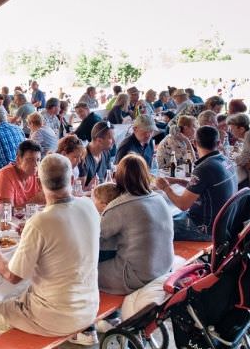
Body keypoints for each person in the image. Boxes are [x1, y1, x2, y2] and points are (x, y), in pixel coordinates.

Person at [0, 154, 100, 349]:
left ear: (38, 180)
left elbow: (12, 276)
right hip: (89, 307)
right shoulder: (88, 205)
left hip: (56, 315)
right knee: (27, 299)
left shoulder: (41, 222)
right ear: (71, 177)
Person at [98, 154, 174, 294]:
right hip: (164, 268)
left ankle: (102, 313)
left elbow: (95, 237)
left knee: (83, 272)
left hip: (136, 277)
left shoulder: (120, 206)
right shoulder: (159, 198)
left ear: (117, 177)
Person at [156, 126, 237, 241]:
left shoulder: (204, 168)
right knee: (170, 216)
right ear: (218, 143)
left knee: (156, 225)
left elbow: (183, 205)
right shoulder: (225, 160)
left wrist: (165, 187)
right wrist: (178, 181)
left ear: (194, 143)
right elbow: (205, 187)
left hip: (206, 229)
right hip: (225, 223)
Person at [0, 140, 44, 207]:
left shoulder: (37, 174)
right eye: (30, 160)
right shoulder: (5, 175)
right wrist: (33, 202)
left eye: (38, 160)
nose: (36, 165)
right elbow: (6, 211)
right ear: (18, 160)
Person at [78, 121, 115, 188]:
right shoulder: (83, 158)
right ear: (99, 140)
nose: (114, 141)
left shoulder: (106, 153)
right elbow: (80, 191)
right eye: (110, 138)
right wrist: (89, 188)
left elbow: (108, 179)